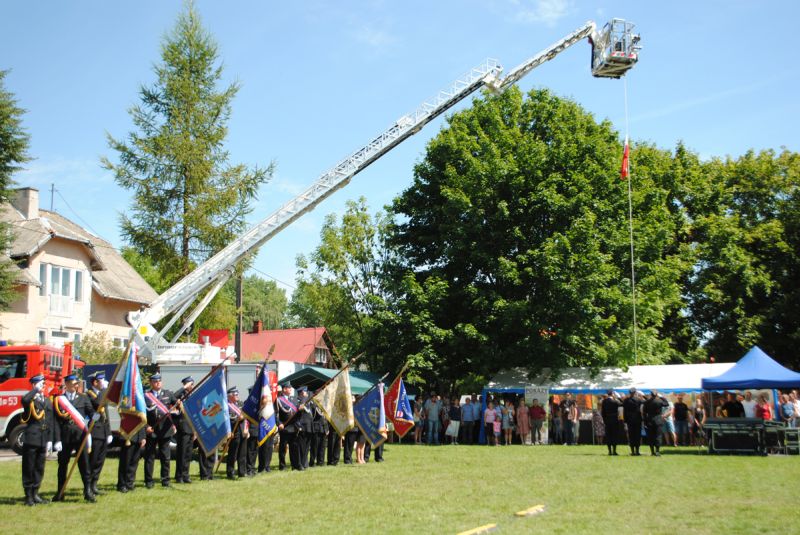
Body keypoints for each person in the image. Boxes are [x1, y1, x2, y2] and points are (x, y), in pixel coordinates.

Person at [52, 374, 95, 502]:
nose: (77, 385)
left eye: (77, 383)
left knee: (84, 464)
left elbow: (90, 412)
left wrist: (95, 416)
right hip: (65, 436)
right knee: (62, 465)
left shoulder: (84, 398)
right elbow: (55, 421)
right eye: (74, 383)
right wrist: (57, 439)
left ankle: (88, 491)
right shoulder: (59, 399)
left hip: (80, 435)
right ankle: (60, 492)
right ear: (67, 384)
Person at [20, 374, 58, 506]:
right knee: (29, 467)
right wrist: (35, 390)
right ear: (34, 384)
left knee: (39, 468)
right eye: (41, 384)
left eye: (43, 384)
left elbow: (51, 421)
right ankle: (28, 496)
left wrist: (50, 440)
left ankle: (36, 493)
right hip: (32, 438)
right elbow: (24, 400)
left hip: (43, 439)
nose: (43, 386)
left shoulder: (47, 400)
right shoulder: (30, 399)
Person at [144, 373, 177, 488]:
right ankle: (148, 481)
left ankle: (165, 480)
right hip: (151, 429)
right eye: (155, 381)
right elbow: (141, 414)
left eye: (159, 381)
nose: (157, 383)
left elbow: (177, 406)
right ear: (151, 383)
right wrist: (146, 426)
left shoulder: (168, 394)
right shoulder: (146, 396)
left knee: (165, 457)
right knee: (150, 456)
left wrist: (178, 405)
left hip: (165, 430)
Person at [86, 371, 112, 496]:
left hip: (103, 431)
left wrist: (109, 432)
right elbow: (97, 404)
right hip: (94, 431)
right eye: (101, 381)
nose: (103, 383)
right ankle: (88, 485)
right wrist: (104, 390)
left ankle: (94, 484)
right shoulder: (89, 394)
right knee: (93, 460)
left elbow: (106, 413)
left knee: (100, 460)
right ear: (95, 382)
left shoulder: (103, 394)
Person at [172, 376, 195, 484]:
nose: (192, 386)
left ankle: (186, 475)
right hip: (183, 426)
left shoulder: (193, 395)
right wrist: (184, 388)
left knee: (188, 453)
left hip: (192, 428)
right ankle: (179, 475)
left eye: (192, 384)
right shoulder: (181, 395)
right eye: (190, 384)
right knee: (181, 453)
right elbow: (173, 397)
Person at [277, 381, 302, 470]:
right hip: (285, 427)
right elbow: (276, 414)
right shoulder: (279, 400)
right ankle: (282, 466)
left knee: (294, 448)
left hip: (294, 427)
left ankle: (295, 465)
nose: (291, 389)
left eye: (291, 387)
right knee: (283, 448)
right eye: (289, 387)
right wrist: (279, 423)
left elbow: (297, 415)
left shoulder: (293, 400)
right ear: (284, 389)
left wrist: (300, 410)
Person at [225, 386, 249, 479]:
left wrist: (246, 429)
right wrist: (237, 419)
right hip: (234, 432)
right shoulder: (227, 405)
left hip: (243, 431)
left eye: (237, 394)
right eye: (235, 394)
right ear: (230, 396)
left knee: (242, 453)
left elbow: (246, 417)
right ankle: (230, 472)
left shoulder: (240, 404)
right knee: (233, 454)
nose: (237, 396)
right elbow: (228, 419)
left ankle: (242, 472)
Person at [117, 424, 146, 493]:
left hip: (138, 436)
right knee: (125, 462)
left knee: (134, 462)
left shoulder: (140, 412)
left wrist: (143, 436)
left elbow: (142, 421)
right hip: (127, 434)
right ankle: (122, 484)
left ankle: (130, 483)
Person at [643, 390, 669, 456]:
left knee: (650, 436)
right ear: (656, 394)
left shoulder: (647, 402)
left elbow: (644, 413)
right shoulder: (659, 401)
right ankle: (657, 451)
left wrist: (645, 421)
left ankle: (652, 451)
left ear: (651, 394)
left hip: (650, 420)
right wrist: (661, 397)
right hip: (658, 420)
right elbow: (666, 403)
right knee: (658, 436)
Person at [296, 386, 313, 468]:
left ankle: (305, 463)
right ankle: (301, 463)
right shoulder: (298, 401)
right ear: (301, 393)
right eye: (305, 392)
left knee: (307, 446)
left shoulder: (308, 402)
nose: (307, 394)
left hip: (309, 426)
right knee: (302, 446)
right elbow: (298, 411)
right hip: (302, 426)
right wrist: (303, 399)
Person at [601, 390, 623, 455]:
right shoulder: (615, 401)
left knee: (608, 436)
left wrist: (605, 420)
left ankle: (609, 451)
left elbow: (603, 412)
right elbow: (621, 404)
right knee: (614, 435)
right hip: (615, 420)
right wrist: (617, 398)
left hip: (607, 420)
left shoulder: (604, 401)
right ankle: (614, 451)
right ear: (612, 394)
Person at [623, 388, 643, 455]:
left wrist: (625, 420)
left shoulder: (626, 400)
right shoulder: (638, 400)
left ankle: (632, 451)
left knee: (631, 435)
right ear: (635, 392)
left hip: (629, 420)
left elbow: (624, 411)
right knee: (637, 435)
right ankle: (637, 451)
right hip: (637, 419)